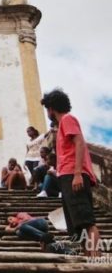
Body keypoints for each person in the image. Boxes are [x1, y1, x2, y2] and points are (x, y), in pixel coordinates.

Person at [41, 88, 100, 257]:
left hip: (73, 174)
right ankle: (88, 255)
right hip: (66, 176)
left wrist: (77, 174)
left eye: (47, 109)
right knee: (77, 222)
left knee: (86, 220)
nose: (47, 113)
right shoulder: (62, 126)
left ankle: (94, 258)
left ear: (51, 108)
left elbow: (80, 143)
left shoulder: (67, 119)